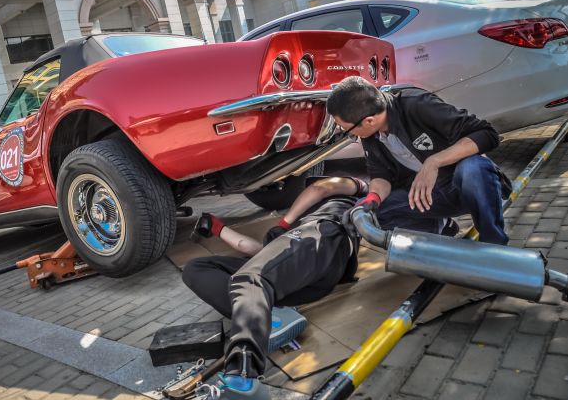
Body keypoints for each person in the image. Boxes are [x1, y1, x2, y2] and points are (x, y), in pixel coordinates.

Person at [182, 176, 368, 400]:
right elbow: (258, 254)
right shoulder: (296, 232)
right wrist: (217, 228)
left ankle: (243, 377)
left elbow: (320, 187)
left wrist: (284, 223)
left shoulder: (348, 198)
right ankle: (265, 315)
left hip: (324, 240)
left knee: (251, 279)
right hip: (292, 276)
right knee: (196, 268)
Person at [326, 76, 509, 245]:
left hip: (466, 187)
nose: (349, 135)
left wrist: (434, 162)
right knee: (367, 215)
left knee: (473, 168)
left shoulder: (417, 104)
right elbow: (381, 175)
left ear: (369, 121)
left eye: (347, 130)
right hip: (426, 198)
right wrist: (371, 200)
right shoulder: (370, 135)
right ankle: (437, 232)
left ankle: (494, 245)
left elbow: (487, 134)